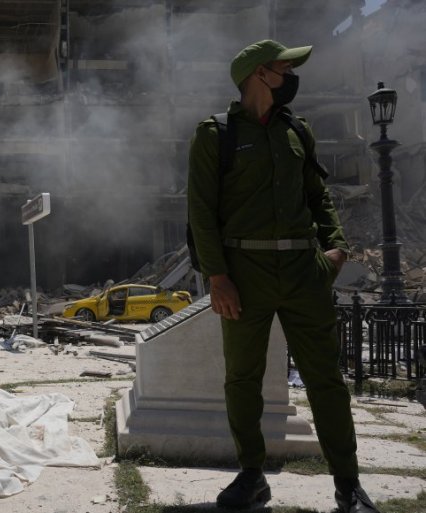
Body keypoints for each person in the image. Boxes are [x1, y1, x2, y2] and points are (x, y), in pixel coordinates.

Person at [188, 40, 379, 513]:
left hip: (303, 271)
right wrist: (217, 276)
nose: (291, 75)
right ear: (259, 74)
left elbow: (319, 195)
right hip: (244, 274)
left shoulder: (297, 130)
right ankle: (252, 476)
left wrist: (336, 248)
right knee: (242, 379)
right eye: (284, 68)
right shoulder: (215, 134)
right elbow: (201, 212)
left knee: (325, 378)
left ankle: (348, 483)